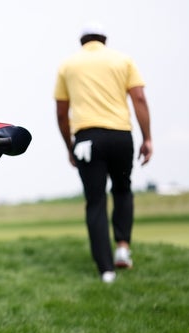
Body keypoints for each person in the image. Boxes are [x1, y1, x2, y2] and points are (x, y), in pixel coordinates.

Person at [54, 21, 153, 283]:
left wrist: (69, 146)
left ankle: (106, 270)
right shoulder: (123, 60)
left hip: (86, 139)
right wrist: (147, 138)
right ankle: (122, 246)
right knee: (122, 189)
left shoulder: (68, 65)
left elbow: (62, 113)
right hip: (120, 136)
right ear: (104, 39)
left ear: (82, 41)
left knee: (96, 202)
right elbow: (139, 98)